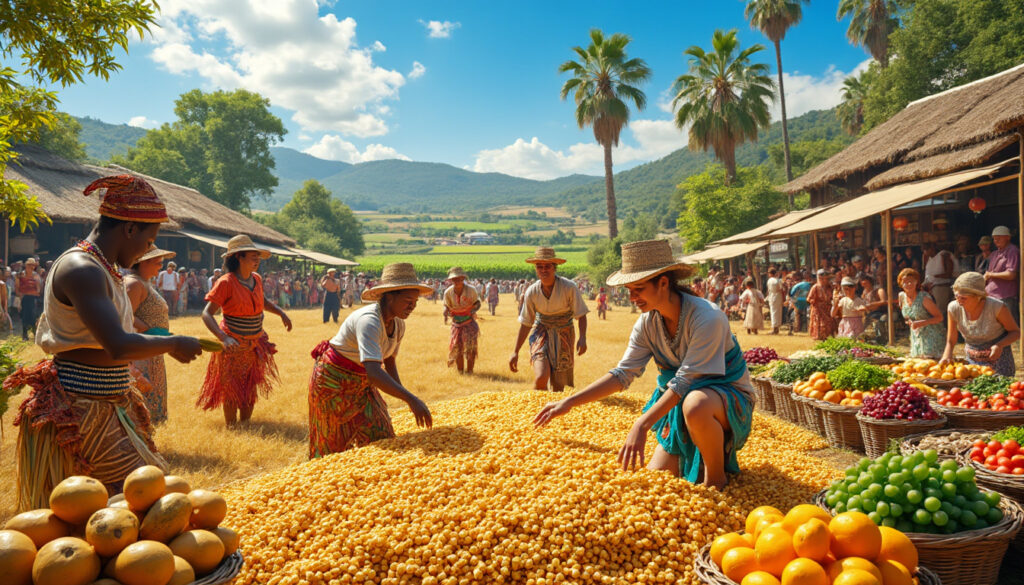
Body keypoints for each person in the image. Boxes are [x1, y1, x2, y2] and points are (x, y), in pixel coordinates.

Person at [4, 174, 201, 510]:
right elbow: (117, 345)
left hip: (107, 401)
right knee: (127, 508)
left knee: (131, 506)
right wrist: (172, 343)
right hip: (82, 408)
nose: (147, 250)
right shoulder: (82, 269)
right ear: (128, 229)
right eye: (148, 240)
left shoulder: (104, 268)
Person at [532, 240, 753, 490]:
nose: (632, 297)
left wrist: (641, 423)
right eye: (629, 289)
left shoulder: (707, 317)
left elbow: (686, 381)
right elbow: (622, 374)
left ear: (663, 283)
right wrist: (569, 402)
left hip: (726, 401)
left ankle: (715, 480)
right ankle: (701, 450)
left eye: (638, 288)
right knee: (656, 478)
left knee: (695, 404)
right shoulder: (647, 323)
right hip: (682, 404)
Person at [307, 263, 433, 458]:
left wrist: (406, 397)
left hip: (362, 381)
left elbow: (389, 361)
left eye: (415, 301)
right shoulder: (369, 321)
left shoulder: (398, 324)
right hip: (333, 381)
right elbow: (374, 373)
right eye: (408, 300)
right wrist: (411, 399)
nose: (412, 307)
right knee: (333, 447)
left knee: (381, 433)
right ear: (390, 296)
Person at [198, 235, 292, 426]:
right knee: (231, 388)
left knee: (250, 386)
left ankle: (246, 425)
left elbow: (262, 302)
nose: (257, 260)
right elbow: (207, 314)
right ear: (239, 257)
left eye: (258, 256)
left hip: (254, 344)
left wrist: (280, 312)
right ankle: (232, 427)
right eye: (252, 256)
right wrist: (223, 338)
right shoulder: (226, 282)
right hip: (233, 345)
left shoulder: (256, 279)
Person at [510, 247, 588, 392]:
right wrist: (515, 351)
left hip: (564, 332)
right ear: (536, 270)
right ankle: (537, 409)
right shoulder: (531, 291)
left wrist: (582, 337)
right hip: (541, 332)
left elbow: (581, 314)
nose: (544, 270)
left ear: (554, 268)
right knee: (540, 378)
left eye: (547, 266)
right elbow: (526, 323)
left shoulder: (569, 287)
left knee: (558, 385)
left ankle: (554, 411)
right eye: (540, 267)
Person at [125, 245, 176, 424]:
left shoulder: (144, 282)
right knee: (142, 401)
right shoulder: (134, 284)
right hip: (142, 351)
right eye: (158, 262)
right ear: (144, 262)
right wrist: (148, 329)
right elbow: (124, 316)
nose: (161, 266)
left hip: (152, 350)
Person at [940, 272, 1020, 376]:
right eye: (956, 296)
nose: (959, 301)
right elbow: (951, 340)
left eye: (963, 298)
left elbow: (1015, 332)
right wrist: (947, 355)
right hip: (972, 364)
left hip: (999, 361)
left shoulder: (996, 307)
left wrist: (999, 345)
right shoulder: (953, 308)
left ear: (978, 296)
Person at [897, 268, 945, 359]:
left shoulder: (924, 298)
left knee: (930, 364)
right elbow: (907, 315)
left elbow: (939, 317)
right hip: (916, 335)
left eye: (911, 281)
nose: (908, 284)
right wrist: (909, 321)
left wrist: (921, 323)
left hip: (932, 335)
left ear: (916, 282)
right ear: (901, 284)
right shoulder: (901, 297)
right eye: (905, 282)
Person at [444, 267, 481, 374]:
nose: (457, 282)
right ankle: (460, 371)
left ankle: (470, 371)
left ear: (463, 279)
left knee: (470, 349)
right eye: (455, 279)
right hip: (456, 324)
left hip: (469, 322)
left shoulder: (471, 290)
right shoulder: (448, 292)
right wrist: (445, 312)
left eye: (460, 279)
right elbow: (446, 305)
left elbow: (477, 303)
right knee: (457, 349)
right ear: (451, 280)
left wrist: (472, 310)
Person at [984, 226, 1020, 325]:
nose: (996, 240)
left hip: (1005, 296)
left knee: (1010, 326)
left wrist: (991, 274)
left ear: (1008, 237)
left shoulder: (1012, 251)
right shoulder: (994, 253)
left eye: (999, 237)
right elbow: (986, 273)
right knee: (995, 327)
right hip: (991, 295)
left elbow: (1011, 274)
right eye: (995, 238)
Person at [923, 242, 955, 318]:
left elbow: (949, 274)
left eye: (926, 250)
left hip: (941, 287)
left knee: (942, 311)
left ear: (931, 249)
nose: (925, 252)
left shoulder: (943, 255)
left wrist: (935, 277)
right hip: (932, 288)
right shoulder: (929, 259)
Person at [15, 257, 43, 340]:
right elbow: (17, 288)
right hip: (24, 298)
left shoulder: (36, 276)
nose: (31, 267)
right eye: (30, 265)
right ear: (26, 266)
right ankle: (25, 335)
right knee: (24, 316)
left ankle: (34, 334)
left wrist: (31, 292)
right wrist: (21, 296)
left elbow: (38, 290)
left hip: (32, 299)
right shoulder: (20, 275)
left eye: (33, 265)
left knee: (33, 316)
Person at [808, 269, 837, 341]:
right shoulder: (815, 287)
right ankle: (819, 338)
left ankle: (828, 338)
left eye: (826, 279)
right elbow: (809, 298)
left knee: (829, 324)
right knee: (821, 325)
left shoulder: (830, 287)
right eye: (822, 279)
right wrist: (815, 302)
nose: (824, 281)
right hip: (818, 310)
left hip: (828, 309)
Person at [765, 267, 784, 335]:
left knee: (773, 312)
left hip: (772, 296)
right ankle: (776, 327)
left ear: (770, 274)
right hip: (778, 296)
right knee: (778, 312)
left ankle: (774, 328)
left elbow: (768, 290)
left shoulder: (770, 280)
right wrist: (783, 298)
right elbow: (782, 290)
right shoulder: (778, 280)